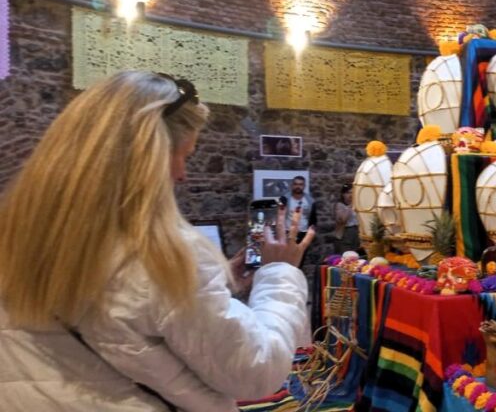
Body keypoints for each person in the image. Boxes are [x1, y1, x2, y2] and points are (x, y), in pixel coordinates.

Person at [0, 71, 315, 410]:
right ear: (146, 158)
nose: (182, 173)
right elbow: (256, 371)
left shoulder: (17, 236)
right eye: (184, 154)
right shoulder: (160, 256)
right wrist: (279, 272)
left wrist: (214, 290)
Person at [285, 175, 317, 241]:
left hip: (304, 233)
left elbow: (313, 218)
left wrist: (311, 231)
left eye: (300, 184)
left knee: (303, 251)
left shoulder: (310, 201)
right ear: (292, 185)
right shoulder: (285, 199)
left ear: (304, 186)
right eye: (295, 184)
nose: (298, 186)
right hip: (288, 232)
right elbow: (279, 217)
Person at [333, 183, 361, 255]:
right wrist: (350, 206)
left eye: (352, 192)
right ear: (343, 194)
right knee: (345, 254)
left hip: (356, 231)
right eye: (348, 193)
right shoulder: (340, 205)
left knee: (355, 253)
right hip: (346, 232)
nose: (350, 195)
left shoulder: (357, 205)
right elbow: (343, 220)